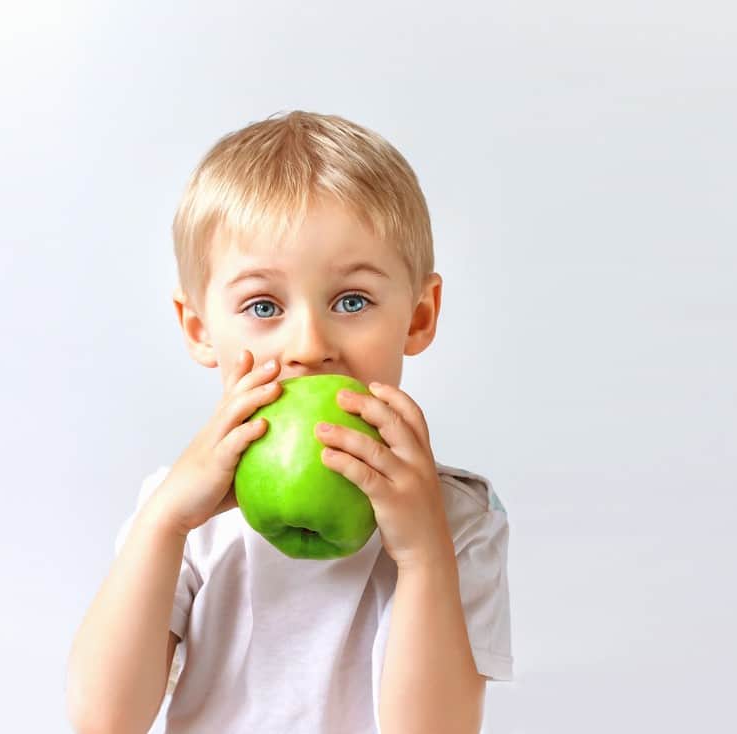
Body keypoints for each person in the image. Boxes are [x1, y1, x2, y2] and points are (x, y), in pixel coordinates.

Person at [66, 111, 513, 734]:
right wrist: (165, 522)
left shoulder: (458, 517)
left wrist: (422, 557)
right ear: (200, 328)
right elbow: (101, 721)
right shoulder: (183, 513)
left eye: (351, 301)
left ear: (417, 317)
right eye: (263, 305)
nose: (308, 345)